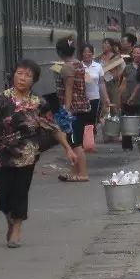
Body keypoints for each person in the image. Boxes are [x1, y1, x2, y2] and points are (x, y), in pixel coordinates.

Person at [0, 60, 79, 247]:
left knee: (20, 192)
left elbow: (53, 127)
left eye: (27, 75)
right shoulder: (2, 98)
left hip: (27, 154)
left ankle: (16, 230)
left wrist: (68, 148)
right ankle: (10, 219)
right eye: (19, 73)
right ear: (13, 75)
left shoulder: (39, 103)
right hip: (2, 155)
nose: (22, 78)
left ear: (34, 81)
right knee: (4, 195)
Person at [54, 38, 89, 181]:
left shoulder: (67, 67)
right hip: (80, 107)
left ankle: (82, 174)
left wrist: (66, 112)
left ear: (60, 52)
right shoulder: (78, 64)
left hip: (72, 110)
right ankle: (75, 172)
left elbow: (68, 89)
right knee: (74, 141)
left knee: (75, 143)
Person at [79, 43, 110, 133]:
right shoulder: (78, 66)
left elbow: (101, 83)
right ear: (81, 54)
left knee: (92, 121)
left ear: (92, 54)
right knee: (82, 121)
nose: (87, 54)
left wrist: (106, 98)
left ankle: (90, 141)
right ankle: (82, 140)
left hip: (95, 98)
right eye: (85, 52)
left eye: (89, 52)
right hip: (81, 99)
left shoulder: (98, 66)